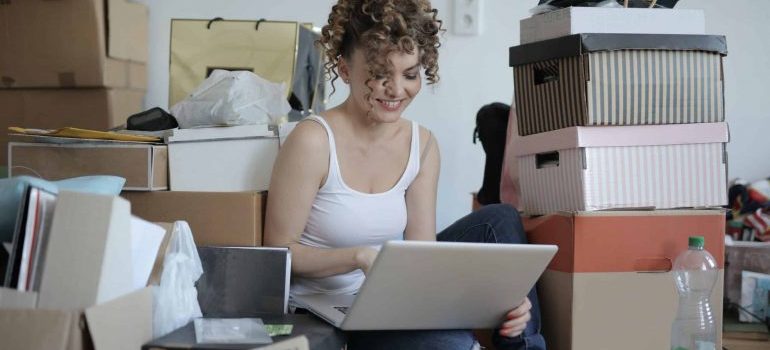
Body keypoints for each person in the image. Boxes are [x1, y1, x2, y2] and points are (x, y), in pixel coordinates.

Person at [264, 0, 545, 349]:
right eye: (381, 74)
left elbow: (421, 257)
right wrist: (358, 256)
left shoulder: (422, 144)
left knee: (499, 220)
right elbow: (278, 252)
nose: (397, 90)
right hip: (326, 311)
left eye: (410, 75)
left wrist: (497, 298)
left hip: (390, 297)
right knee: (452, 343)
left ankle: (519, 339)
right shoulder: (313, 140)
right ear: (346, 69)